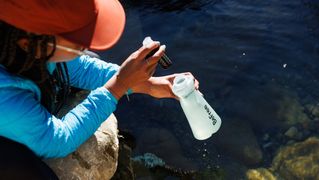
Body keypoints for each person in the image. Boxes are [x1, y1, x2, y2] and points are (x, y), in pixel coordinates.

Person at [0, 0, 199, 178]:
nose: (87, 44)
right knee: (27, 169)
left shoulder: (24, 41)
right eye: (79, 42)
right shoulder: (4, 98)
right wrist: (118, 86)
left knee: (86, 60)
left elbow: (81, 68)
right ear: (30, 45)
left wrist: (150, 85)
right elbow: (56, 141)